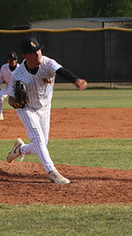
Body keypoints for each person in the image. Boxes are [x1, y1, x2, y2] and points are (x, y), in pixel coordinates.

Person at [6, 36, 87, 184]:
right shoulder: (18, 74)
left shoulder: (48, 63)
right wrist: (15, 103)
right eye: (33, 51)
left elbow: (61, 71)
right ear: (24, 55)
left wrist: (75, 80)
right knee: (38, 138)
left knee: (42, 143)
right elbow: (11, 98)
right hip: (27, 109)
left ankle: (21, 149)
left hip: (45, 108)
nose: (37, 53)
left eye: (38, 49)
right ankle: (52, 172)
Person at [0, 52, 19, 120]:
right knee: (0, 97)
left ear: (16, 60)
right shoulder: (4, 67)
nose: (13, 61)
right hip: (7, 86)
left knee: (19, 102)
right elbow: (1, 77)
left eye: (14, 59)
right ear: (8, 60)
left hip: (17, 88)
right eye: (11, 60)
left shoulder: (20, 68)